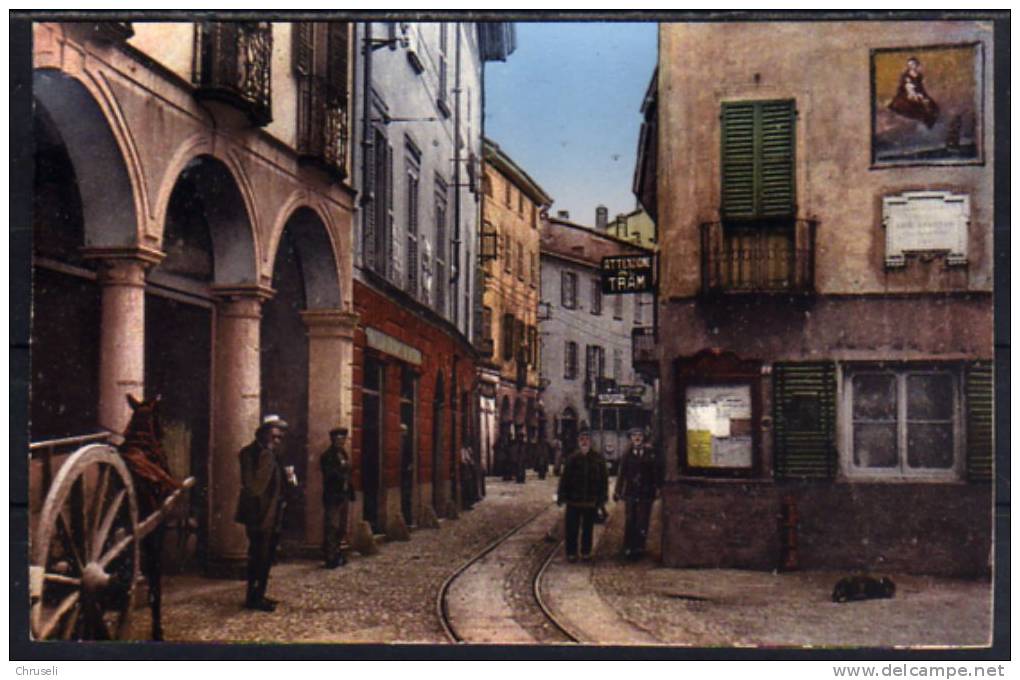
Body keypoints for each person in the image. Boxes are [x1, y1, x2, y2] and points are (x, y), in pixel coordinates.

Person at [235, 414, 295, 611]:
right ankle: (253, 599)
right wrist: (267, 460)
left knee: (267, 557)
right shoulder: (249, 454)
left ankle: (259, 595)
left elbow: (284, 484)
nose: (276, 441)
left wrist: (290, 481)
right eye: (273, 436)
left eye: (279, 438)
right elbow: (254, 487)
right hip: (258, 516)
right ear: (262, 434)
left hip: (273, 516)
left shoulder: (274, 455)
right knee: (258, 557)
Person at [556, 423, 609, 563]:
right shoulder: (572, 459)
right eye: (582, 439)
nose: (584, 441)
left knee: (588, 528)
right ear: (578, 441)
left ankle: (586, 551)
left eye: (587, 439)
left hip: (590, 500)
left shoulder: (598, 459)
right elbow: (564, 479)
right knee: (571, 528)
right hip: (574, 500)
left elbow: (604, 480)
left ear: (591, 442)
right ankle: (571, 553)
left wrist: (603, 498)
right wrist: (561, 495)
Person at [613, 427, 660, 560]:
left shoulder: (650, 453)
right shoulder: (626, 455)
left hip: (646, 492)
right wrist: (618, 490)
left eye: (639, 435)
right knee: (630, 519)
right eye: (634, 435)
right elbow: (621, 474)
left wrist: (656, 488)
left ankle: (639, 547)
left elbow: (655, 472)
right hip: (631, 492)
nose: (637, 438)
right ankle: (628, 547)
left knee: (643, 520)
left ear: (643, 438)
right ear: (631, 438)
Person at [320, 426, 355, 569]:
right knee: (332, 526)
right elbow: (329, 475)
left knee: (341, 527)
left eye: (343, 439)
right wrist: (342, 472)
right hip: (333, 495)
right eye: (339, 439)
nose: (341, 441)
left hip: (343, 494)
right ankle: (330, 557)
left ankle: (338, 554)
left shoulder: (344, 454)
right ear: (333, 440)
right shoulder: (327, 456)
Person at [888, 56, 940, 129]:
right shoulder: (906, 76)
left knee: (932, 106)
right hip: (906, 94)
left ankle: (930, 125)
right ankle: (923, 123)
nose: (912, 67)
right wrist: (917, 96)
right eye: (910, 65)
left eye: (913, 64)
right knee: (918, 107)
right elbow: (908, 88)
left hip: (918, 93)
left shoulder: (919, 75)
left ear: (917, 65)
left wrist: (924, 96)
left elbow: (920, 87)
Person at [459, 444, 477, 509]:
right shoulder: (462, 451)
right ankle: (466, 504)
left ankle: (468, 504)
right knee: (466, 489)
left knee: (469, 488)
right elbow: (463, 462)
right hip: (465, 473)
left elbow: (470, 461)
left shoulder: (467, 450)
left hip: (468, 473)